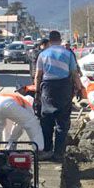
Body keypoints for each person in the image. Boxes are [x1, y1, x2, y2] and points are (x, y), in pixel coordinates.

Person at [34, 30, 82, 160]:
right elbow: (74, 73)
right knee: (62, 122)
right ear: (60, 40)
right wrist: (79, 88)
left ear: (49, 41)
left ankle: (47, 149)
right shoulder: (68, 54)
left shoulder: (43, 54)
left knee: (46, 121)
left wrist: (37, 92)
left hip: (47, 89)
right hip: (64, 89)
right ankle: (59, 153)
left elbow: (38, 76)